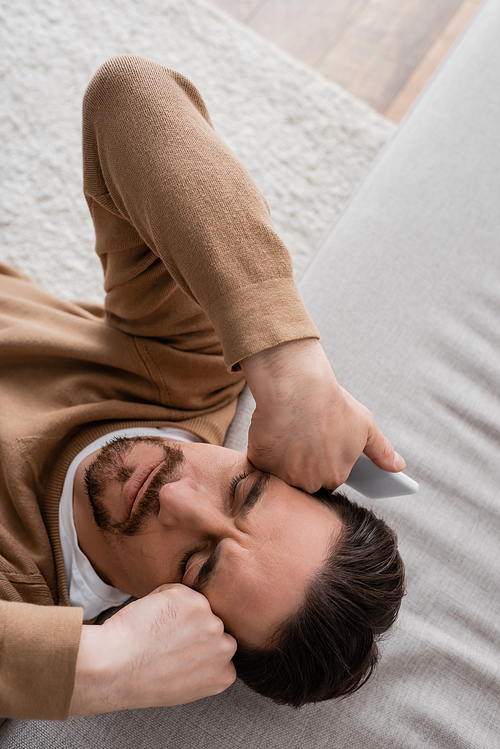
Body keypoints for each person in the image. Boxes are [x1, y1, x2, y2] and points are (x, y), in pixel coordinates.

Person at [0, 55, 405, 721]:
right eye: (242, 490)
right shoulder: (182, 373)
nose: (176, 494)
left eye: (196, 563)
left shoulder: (23, 614)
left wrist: (90, 668)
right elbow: (127, 95)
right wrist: (290, 361)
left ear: (176, 623)